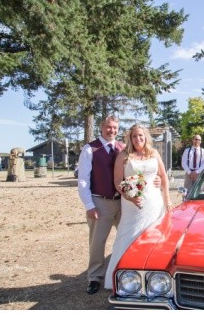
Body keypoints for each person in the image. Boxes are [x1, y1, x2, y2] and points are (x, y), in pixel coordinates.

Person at [105, 124, 171, 289]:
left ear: (146, 136)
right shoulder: (124, 156)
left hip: (154, 201)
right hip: (132, 203)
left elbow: (163, 177)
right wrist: (129, 196)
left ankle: (152, 274)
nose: (138, 139)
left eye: (140, 135)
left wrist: (167, 199)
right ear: (130, 138)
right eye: (134, 136)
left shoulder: (154, 153)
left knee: (153, 235)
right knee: (129, 235)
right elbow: (117, 181)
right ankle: (121, 278)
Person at [76, 115, 125, 295]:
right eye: (108, 127)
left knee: (126, 238)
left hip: (122, 203)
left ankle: (124, 273)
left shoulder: (123, 148)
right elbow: (83, 180)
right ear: (102, 128)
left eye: (115, 127)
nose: (111, 130)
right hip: (100, 202)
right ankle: (95, 277)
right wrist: (89, 205)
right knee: (97, 242)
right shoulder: (90, 149)